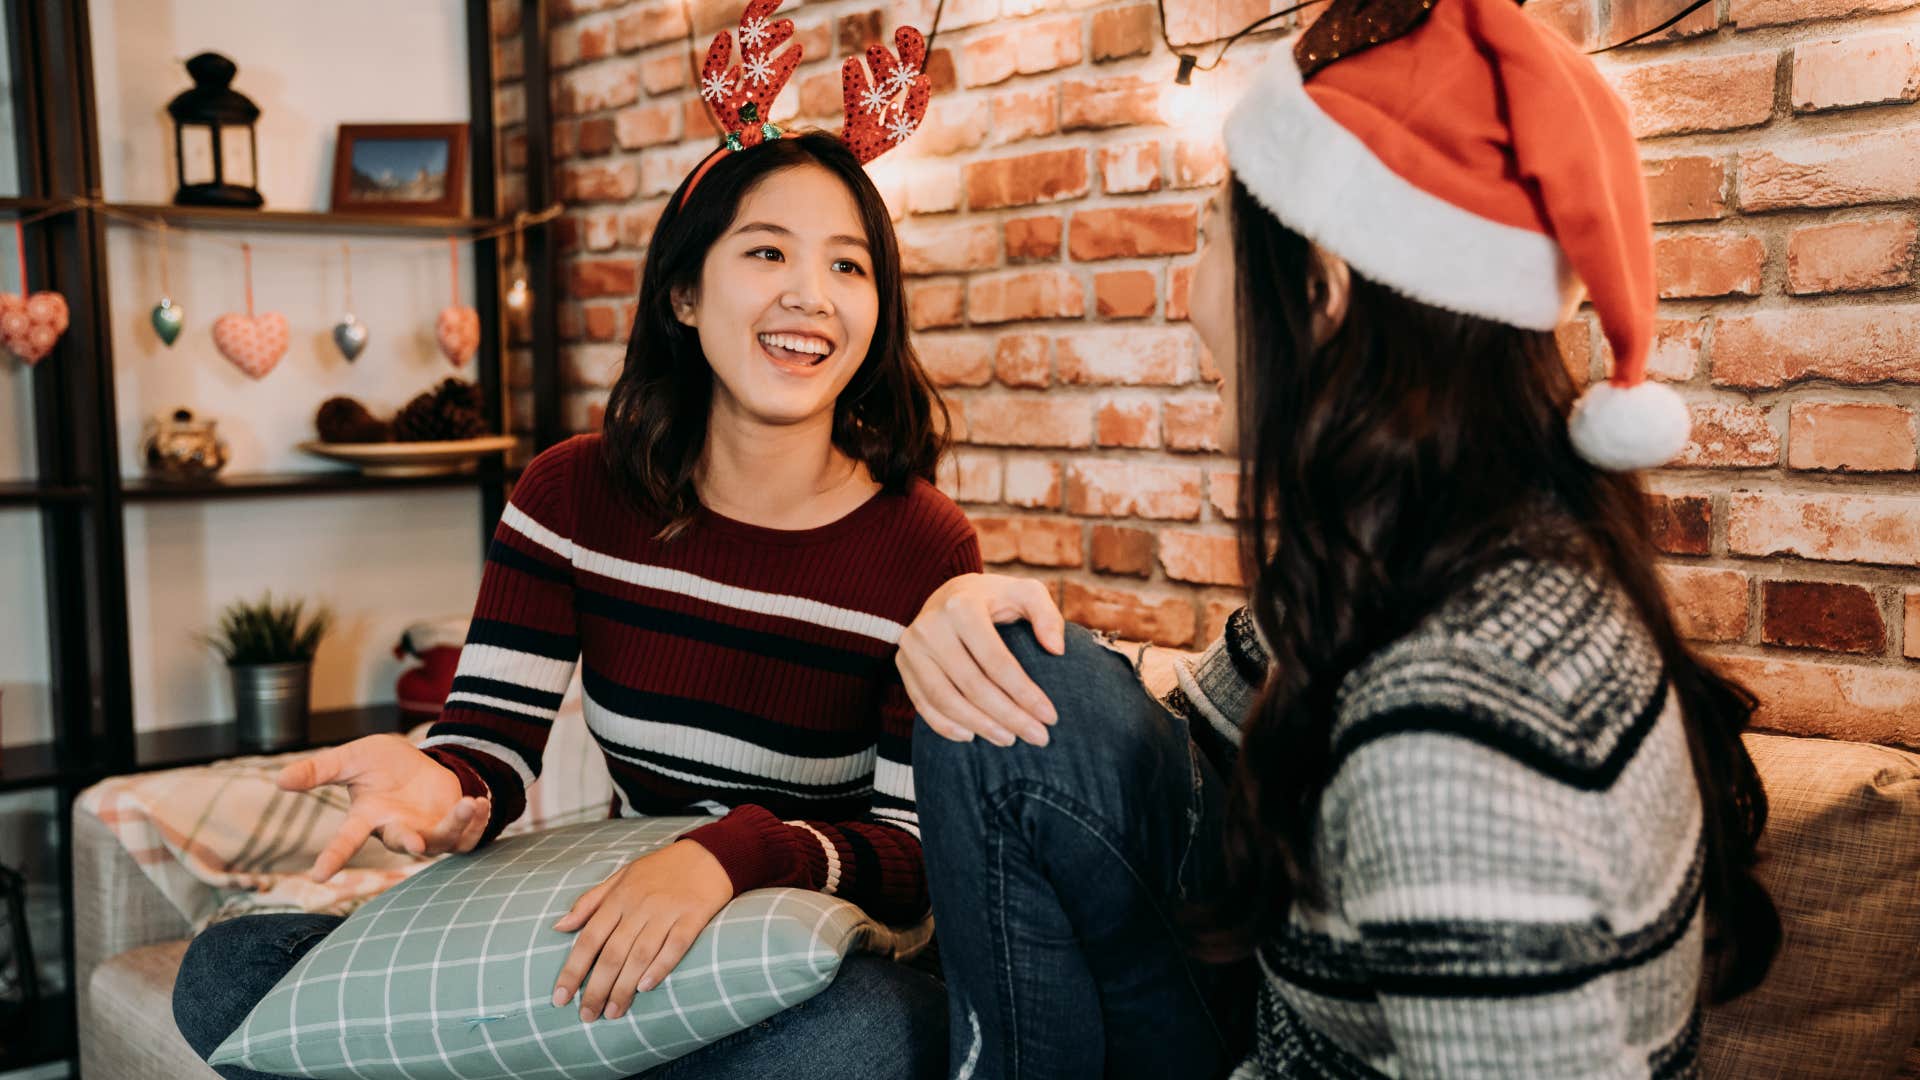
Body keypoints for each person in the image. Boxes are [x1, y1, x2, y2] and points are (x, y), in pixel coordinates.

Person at [899, 0, 1781, 1076]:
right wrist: (976, 622)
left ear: (1319, 291)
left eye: (1207, 232)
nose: (1190, 299)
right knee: (1021, 696)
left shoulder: (1452, 736)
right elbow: (1166, 738)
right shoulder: (1417, 549)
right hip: (1259, 1010)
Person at [172, 59, 973, 1080]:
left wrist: (726, 857)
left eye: (850, 266)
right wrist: (444, 782)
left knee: (875, 1040)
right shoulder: (570, 496)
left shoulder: (925, 546)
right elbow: (491, 750)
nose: (810, 295)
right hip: (617, 912)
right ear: (684, 292)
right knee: (228, 973)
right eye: (767, 251)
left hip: (798, 952)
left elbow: (911, 859)